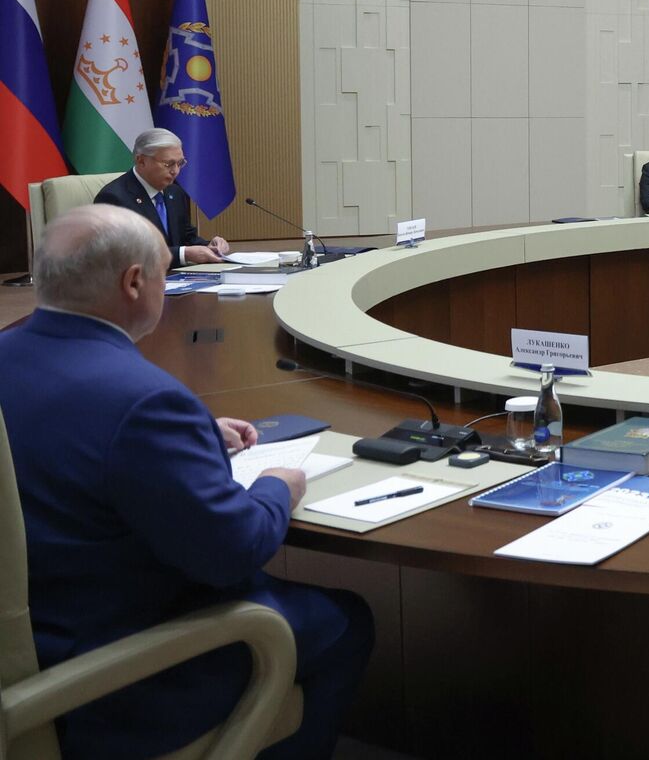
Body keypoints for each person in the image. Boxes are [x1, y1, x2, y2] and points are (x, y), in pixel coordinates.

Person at [0, 205, 373, 759]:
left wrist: (193, 434)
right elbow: (234, 551)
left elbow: (66, 437)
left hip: (33, 647)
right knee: (346, 622)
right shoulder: (143, 401)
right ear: (134, 283)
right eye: (164, 273)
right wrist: (278, 485)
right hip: (113, 682)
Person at [94, 127, 230, 265]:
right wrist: (183, 254)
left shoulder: (175, 193)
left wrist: (209, 246)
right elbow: (123, 253)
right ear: (141, 161)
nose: (175, 171)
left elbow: (186, 238)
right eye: (168, 164)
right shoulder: (113, 198)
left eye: (180, 163)